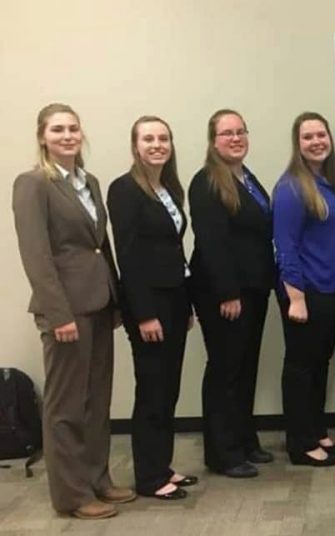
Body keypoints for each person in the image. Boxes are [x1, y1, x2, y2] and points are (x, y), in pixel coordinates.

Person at [12, 103, 135, 519]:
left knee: (96, 400)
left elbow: (99, 245)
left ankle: (97, 479)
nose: (67, 135)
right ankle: (72, 495)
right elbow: (37, 256)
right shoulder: (33, 184)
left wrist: (115, 299)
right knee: (65, 406)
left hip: (99, 302)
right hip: (66, 309)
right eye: (58, 129)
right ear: (42, 137)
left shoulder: (90, 182)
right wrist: (58, 313)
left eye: (73, 128)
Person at [107, 116, 196, 499]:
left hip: (175, 298)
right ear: (135, 145)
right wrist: (144, 314)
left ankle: (162, 466)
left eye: (163, 138)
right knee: (153, 390)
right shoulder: (124, 189)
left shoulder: (169, 188)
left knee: (169, 388)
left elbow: (175, 250)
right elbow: (127, 254)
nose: (157, 144)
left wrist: (187, 304)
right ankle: (148, 477)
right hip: (149, 304)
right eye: (148, 139)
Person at [189, 109, 275, 478]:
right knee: (226, 369)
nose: (236, 138)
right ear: (213, 141)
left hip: (253, 289)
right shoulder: (206, 181)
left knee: (246, 367)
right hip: (224, 293)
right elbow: (213, 243)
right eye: (227, 133)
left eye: (241, 131)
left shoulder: (247, 177)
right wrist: (228, 292)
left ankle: (244, 440)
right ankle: (223, 453)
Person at [273, 111, 335, 466]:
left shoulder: (330, 182)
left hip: (334, 288)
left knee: (320, 363)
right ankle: (300, 442)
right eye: (308, 137)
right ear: (298, 144)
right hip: (307, 291)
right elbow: (284, 245)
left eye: (321, 134)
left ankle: (316, 429)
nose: (316, 141)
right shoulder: (291, 187)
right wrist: (296, 297)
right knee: (301, 367)